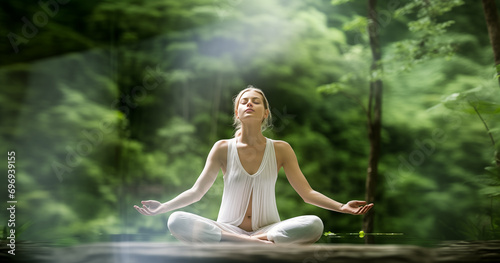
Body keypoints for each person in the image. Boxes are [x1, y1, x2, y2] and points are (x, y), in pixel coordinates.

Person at [134, 86, 373, 244]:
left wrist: (342, 207)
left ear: (265, 112)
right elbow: (197, 192)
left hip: (269, 229)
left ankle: (255, 241)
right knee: (176, 220)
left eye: (256, 102)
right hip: (228, 229)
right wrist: (163, 207)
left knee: (314, 224)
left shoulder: (281, 149)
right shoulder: (222, 148)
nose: (249, 104)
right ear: (237, 113)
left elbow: (307, 193)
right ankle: (252, 245)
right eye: (244, 102)